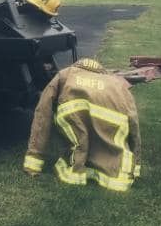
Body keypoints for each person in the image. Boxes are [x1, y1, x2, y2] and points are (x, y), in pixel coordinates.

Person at [23, 57, 141, 192]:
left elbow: (42, 115)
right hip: (118, 177)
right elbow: (134, 125)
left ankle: (78, 161)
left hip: (75, 134)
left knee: (71, 119)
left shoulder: (65, 75)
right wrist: (136, 165)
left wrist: (33, 161)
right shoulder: (118, 85)